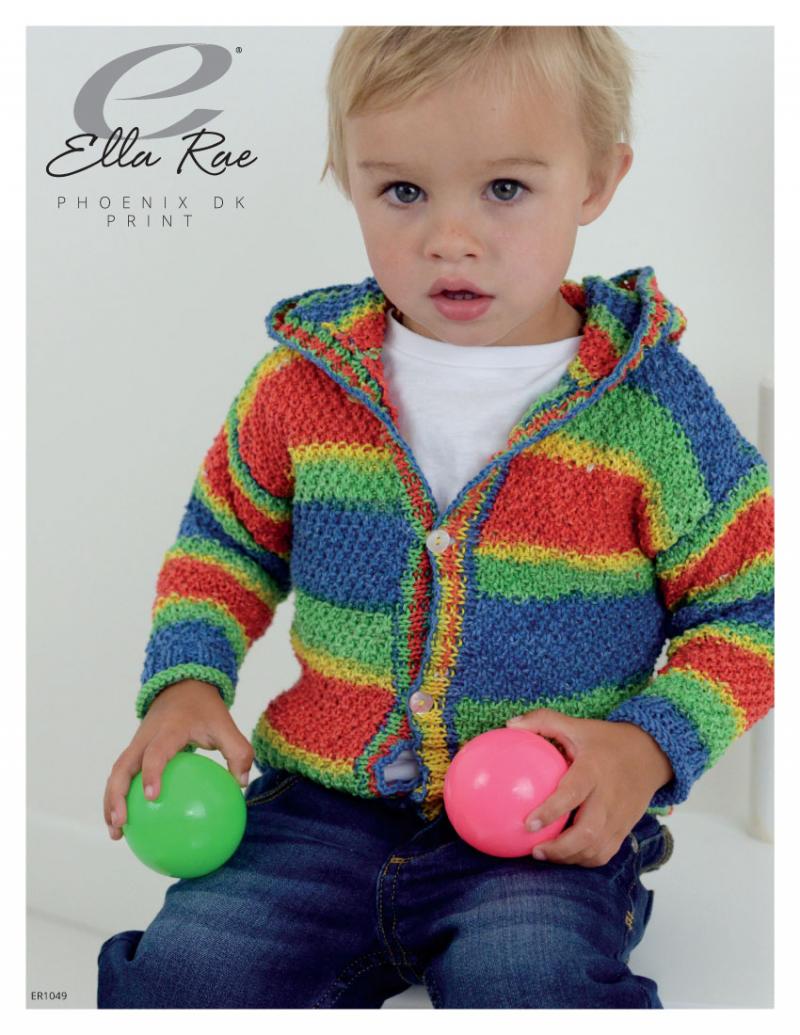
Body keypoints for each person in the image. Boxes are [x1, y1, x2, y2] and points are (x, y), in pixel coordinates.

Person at [97, 27, 774, 1009]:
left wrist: (647, 745)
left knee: (531, 986)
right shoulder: (303, 384)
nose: (449, 238)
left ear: (596, 180)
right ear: (348, 178)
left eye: (505, 188)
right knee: (185, 979)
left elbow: (753, 610)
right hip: (320, 807)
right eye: (403, 191)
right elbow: (223, 547)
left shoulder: (651, 409)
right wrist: (187, 678)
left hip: (540, 819)